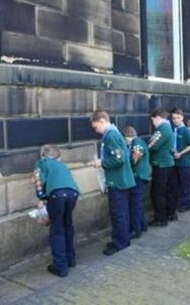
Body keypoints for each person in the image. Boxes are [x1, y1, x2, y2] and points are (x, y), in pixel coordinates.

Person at [90, 110, 135, 256]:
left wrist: (100, 162)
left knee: (118, 213)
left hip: (117, 181)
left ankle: (120, 243)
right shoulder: (115, 133)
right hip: (121, 179)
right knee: (122, 212)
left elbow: (119, 159)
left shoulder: (110, 135)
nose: (96, 131)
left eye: (96, 127)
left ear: (102, 121)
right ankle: (123, 239)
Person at [33, 144, 80, 277]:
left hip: (57, 195)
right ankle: (70, 259)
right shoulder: (62, 165)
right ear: (57, 156)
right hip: (73, 193)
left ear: (43, 154)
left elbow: (38, 181)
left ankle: (60, 266)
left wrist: (41, 197)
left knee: (57, 229)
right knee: (68, 225)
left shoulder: (41, 162)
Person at [122, 126, 151, 239]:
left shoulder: (136, 142)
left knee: (134, 204)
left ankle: (136, 229)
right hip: (140, 176)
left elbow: (137, 155)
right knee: (137, 203)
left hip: (138, 176)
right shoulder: (138, 141)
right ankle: (142, 225)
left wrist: (132, 160)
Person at [148, 107, 174, 226]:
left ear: (157, 117)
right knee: (167, 190)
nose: (153, 124)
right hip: (166, 163)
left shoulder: (162, 128)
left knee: (157, 192)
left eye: (153, 120)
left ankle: (161, 219)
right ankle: (170, 213)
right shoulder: (168, 127)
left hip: (161, 164)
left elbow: (152, 145)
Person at [169, 108, 190, 212]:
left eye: (178, 118)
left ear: (182, 117)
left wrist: (180, 153)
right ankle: (178, 202)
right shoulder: (173, 130)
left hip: (184, 162)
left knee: (185, 183)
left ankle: (186, 203)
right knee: (175, 184)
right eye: (174, 118)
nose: (176, 120)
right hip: (174, 161)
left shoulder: (186, 130)